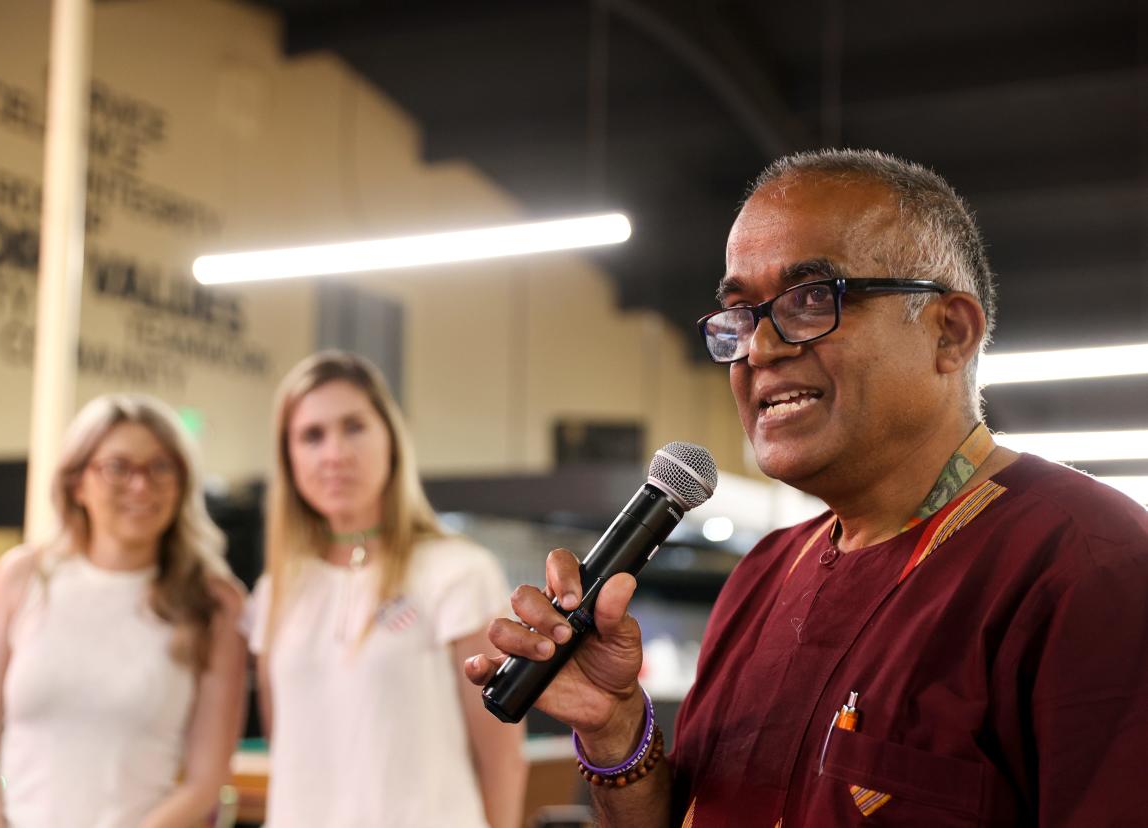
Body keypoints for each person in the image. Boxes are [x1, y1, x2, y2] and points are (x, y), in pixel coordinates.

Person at [466, 149, 1148, 826]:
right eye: (739, 315)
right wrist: (615, 733)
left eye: (812, 299)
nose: (760, 349)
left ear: (950, 332)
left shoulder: (1086, 564)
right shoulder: (765, 575)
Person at [248, 351, 526, 828]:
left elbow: (501, 760)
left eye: (353, 426)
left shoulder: (458, 573)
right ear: (289, 457)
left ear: (392, 439)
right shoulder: (275, 591)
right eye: (311, 436)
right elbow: (288, 751)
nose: (334, 454)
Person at [0, 394, 247, 828]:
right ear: (77, 483)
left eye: (161, 467)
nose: (141, 486)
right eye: (118, 467)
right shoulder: (23, 577)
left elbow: (206, 780)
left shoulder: (215, 602)